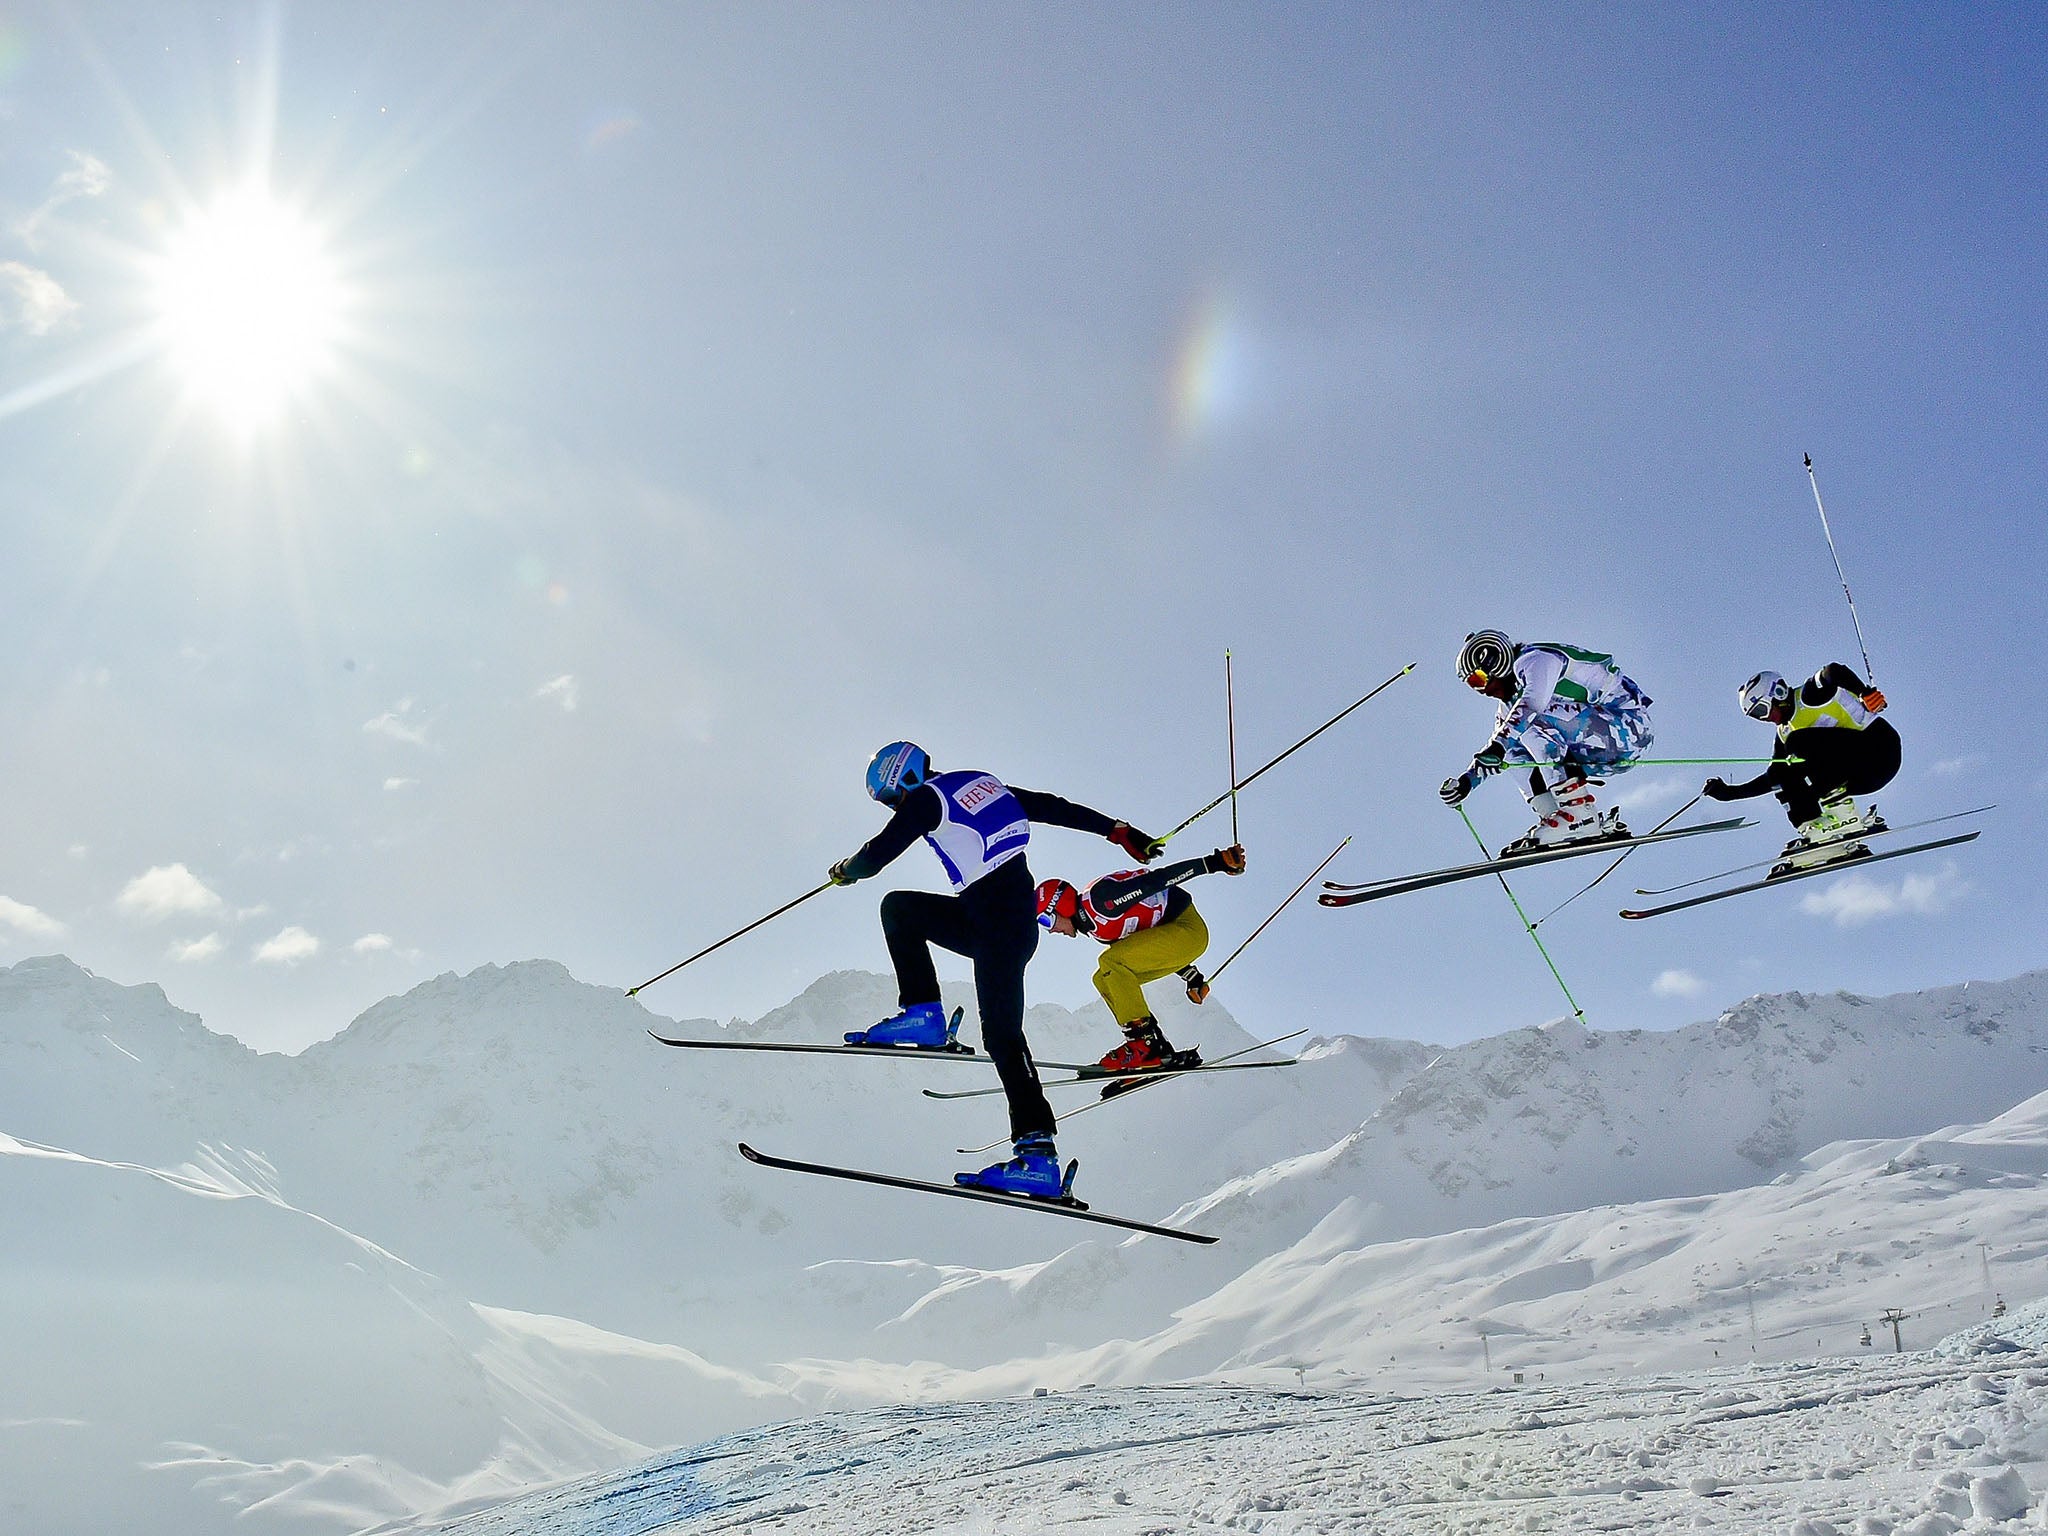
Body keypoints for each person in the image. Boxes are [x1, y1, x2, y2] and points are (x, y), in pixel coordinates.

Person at [827, 741, 1162, 1199]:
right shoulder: (982, 785)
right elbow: (1052, 807)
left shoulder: (926, 797)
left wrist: (847, 870)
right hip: (998, 922)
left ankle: (1038, 1158)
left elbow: (879, 852)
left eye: (889, 798)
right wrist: (1116, 829)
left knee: (1002, 1035)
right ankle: (924, 1015)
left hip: (996, 926)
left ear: (902, 780)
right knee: (901, 910)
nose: (894, 806)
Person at [1035, 844, 1247, 1075]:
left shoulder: (1100, 901)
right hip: (1178, 938)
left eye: (1047, 921)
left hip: (1188, 929)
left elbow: (1157, 881)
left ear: (1061, 906)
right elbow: (1149, 947)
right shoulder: (1098, 930)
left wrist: (1214, 863)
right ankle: (1155, 1047)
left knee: (1111, 962)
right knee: (1103, 978)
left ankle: (1143, 1045)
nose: (1052, 930)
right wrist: (1193, 978)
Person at [1438, 630, 1655, 856]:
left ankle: (1578, 814)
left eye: (1478, 679)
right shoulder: (1509, 704)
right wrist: (1466, 782)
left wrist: (1499, 745)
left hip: (1628, 728)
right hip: (1601, 742)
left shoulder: (1536, 660)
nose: (1480, 690)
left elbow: (1532, 704)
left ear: (1495, 663)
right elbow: (1499, 746)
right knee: (1512, 747)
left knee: (1524, 722)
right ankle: (1560, 816)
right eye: (1472, 684)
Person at [1703, 665, 1898, 874]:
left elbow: (1832, 672)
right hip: (1857, 776)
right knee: (1782, 773)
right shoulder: (1784, 732)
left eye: (1762, 709)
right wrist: (1732, 793)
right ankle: (1817, 831)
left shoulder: (1808, 696)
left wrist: (1864, 692)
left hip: (1879, 752)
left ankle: (1843, 816)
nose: (1764, 718)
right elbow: (1774, 776)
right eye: (1756, 716)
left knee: (1798, 742)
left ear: (1777, 693)